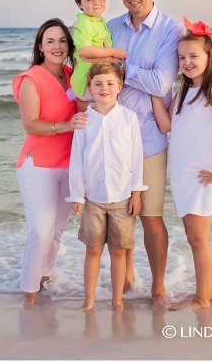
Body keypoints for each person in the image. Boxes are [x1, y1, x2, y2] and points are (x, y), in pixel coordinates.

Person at [106, 0, 184, 308]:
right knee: (118, 213)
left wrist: (123, 70)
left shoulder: (171, 30)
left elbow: (161, 83)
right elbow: (98, 77)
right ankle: (126, 279)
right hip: (114, 137)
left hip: (151, 139)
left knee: (151, 216)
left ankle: (158, 287)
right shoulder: (110, 29)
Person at [154, 17, 212, 310]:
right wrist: (155, 93)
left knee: (197, 238)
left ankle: (203, 298)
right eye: (182, 57)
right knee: (194, 237)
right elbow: (167, 126)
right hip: (182, 174)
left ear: (208, 56)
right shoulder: (182, 92)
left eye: (194, 56)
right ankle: (207, 293)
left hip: (203, 174)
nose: (187, 62)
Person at [12, 18, 88, 306]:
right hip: (38, 166)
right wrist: (67, 125)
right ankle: (29, 293)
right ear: (41, 47)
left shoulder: (72, 75)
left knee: (56, 230)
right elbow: (31, 125)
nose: (57, 46)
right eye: (50, 41)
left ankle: (44, 278)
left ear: (69, 46)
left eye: (62, 41)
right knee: (40, 230)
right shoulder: (31, 79)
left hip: (69, 165)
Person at [67, 62, 147, 310]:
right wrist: (77, 195)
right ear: (90, 87)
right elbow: (77, 160)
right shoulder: (84, 121)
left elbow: (137, 157)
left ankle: (117, 300)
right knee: (92, 250)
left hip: (123, 198)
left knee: (118, 251)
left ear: (120, 87)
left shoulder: (129, 118)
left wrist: (136, 193)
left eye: (110, 83)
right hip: (93, 198)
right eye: (98, 84)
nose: (104, 88)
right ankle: (88, 301)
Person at [68, 0, 128, 111]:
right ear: (79, 4)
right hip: (86, 82)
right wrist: (113, 52)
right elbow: (85, 51)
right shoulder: (84, 23)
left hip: (95, 79)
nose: (96, 3)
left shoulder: (100, 22)